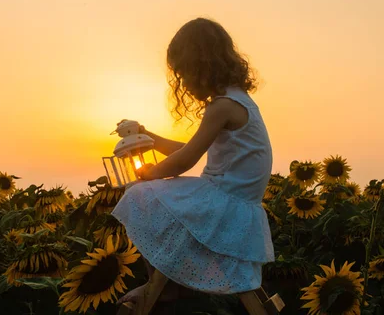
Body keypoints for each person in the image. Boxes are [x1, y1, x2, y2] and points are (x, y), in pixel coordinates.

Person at [112, 17, 275, 307]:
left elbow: (186, 159)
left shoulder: (222, 106)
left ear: (203, 67)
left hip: (221, 200)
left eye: (184, 74)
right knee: (166, 206)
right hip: (236, 201)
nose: (183, 84)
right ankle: (165, 284)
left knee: (139, 195)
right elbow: (191, 148)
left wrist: (150, 173)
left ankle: (160, 288)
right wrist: (149, 137)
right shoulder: (239, 101)